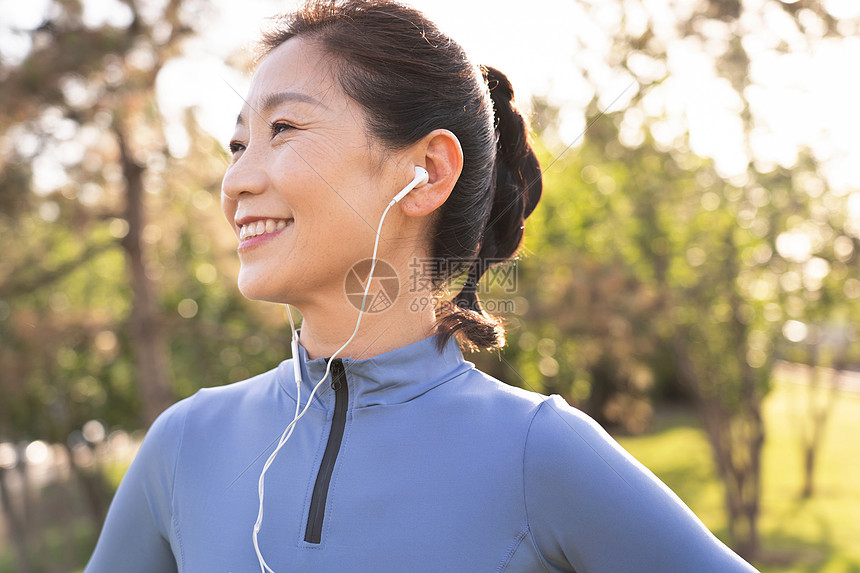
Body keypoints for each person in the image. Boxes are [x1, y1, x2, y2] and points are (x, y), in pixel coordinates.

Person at [85, 1, 760, 571]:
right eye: (236, 146)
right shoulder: (185, 444)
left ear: (427, 172)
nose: (234, 182)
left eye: (281, 129)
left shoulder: (539, 451)